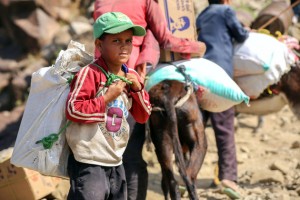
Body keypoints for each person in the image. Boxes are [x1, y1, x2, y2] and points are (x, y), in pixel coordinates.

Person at [93, 1, 207, 200]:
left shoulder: (100, 2)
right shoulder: (146, 1)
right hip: (126, 84)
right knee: (131, 156)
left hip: (98, 80)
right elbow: (166, 41)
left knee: (101, 154)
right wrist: (199, 46)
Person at [65, 12, 152, 200]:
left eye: (128, 41)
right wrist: (106, 98)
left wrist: (137, 89)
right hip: (88, 161)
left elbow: (143, 116)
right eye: (116, 41)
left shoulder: (131, 77)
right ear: (99, 45)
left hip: (115, 159)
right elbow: (73, 109)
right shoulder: (90, 74)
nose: (124, 46)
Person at [196, 0, 249, 198]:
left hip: (200, 75)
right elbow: (241, 35)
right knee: (225, 129)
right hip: (221, 78)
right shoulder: (226, 11)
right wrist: (246, 30)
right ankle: (228, 178)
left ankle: (187, 174)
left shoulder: (202, 14)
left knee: (197, 129)